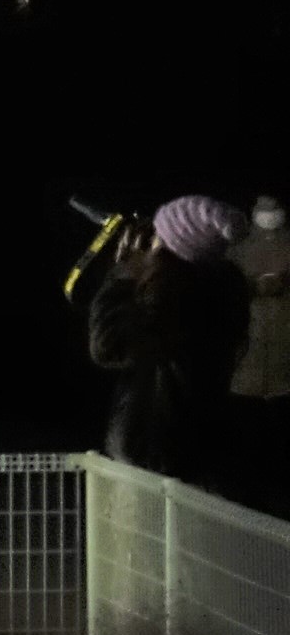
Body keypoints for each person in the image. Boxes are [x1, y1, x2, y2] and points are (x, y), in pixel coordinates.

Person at [87, 195, 250, 485]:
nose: (148, 245)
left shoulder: (177, 301)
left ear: (173, 252)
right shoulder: (220, 289)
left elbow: (108, 346)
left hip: (154, 451)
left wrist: (123, 274)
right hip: (191, 446)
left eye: (157, 239)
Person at [229, 196, 290, 510]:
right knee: (248, 449)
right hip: (245, 370)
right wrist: (253, 288)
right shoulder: (236, 250)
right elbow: (223, 292)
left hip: (284, 369)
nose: (271, 215)